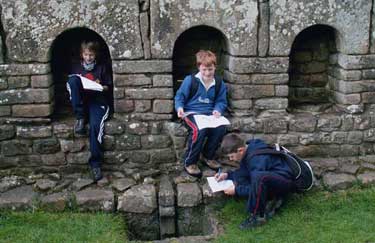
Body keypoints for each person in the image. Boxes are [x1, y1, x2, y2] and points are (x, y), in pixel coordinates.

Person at [215, 133, 296, 229]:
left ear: (240, 150)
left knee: (258, 178)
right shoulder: (249, 147)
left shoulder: (257, 160)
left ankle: (258, 216)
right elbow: (244, 171)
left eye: (231, 156)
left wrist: (237, 191)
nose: (231, 159)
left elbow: (257, 187)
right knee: (247, 178)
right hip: (272, 176)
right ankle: (272, 199)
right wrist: (227, 175)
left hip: (284, 182)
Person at [174, 50, 228, 177]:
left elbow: (221, 101)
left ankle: (208, 156)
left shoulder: (219, 83)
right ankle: (190, 162)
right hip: (191, 113)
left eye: (210, 69)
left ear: (215, 66)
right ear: (199, 67)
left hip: (209, 114)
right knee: (200, 131)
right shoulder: (190, 80)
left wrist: (218, 110)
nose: (207, 73)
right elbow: (180, 96)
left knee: (220, 128)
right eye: (204, 69)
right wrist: (179, 108)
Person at [66, 40, 112, 182]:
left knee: (95, 127)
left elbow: (108, 87)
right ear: (82, 54)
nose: (88, 57)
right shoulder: (76, 68)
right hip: (83, 101)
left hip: (98, 101)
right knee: (73, 80)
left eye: (91, 55)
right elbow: (71, 86)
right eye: (86, 54)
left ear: (95, 55)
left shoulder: (102, 68)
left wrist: (100, 86)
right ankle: (80, 117)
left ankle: (96, 164)